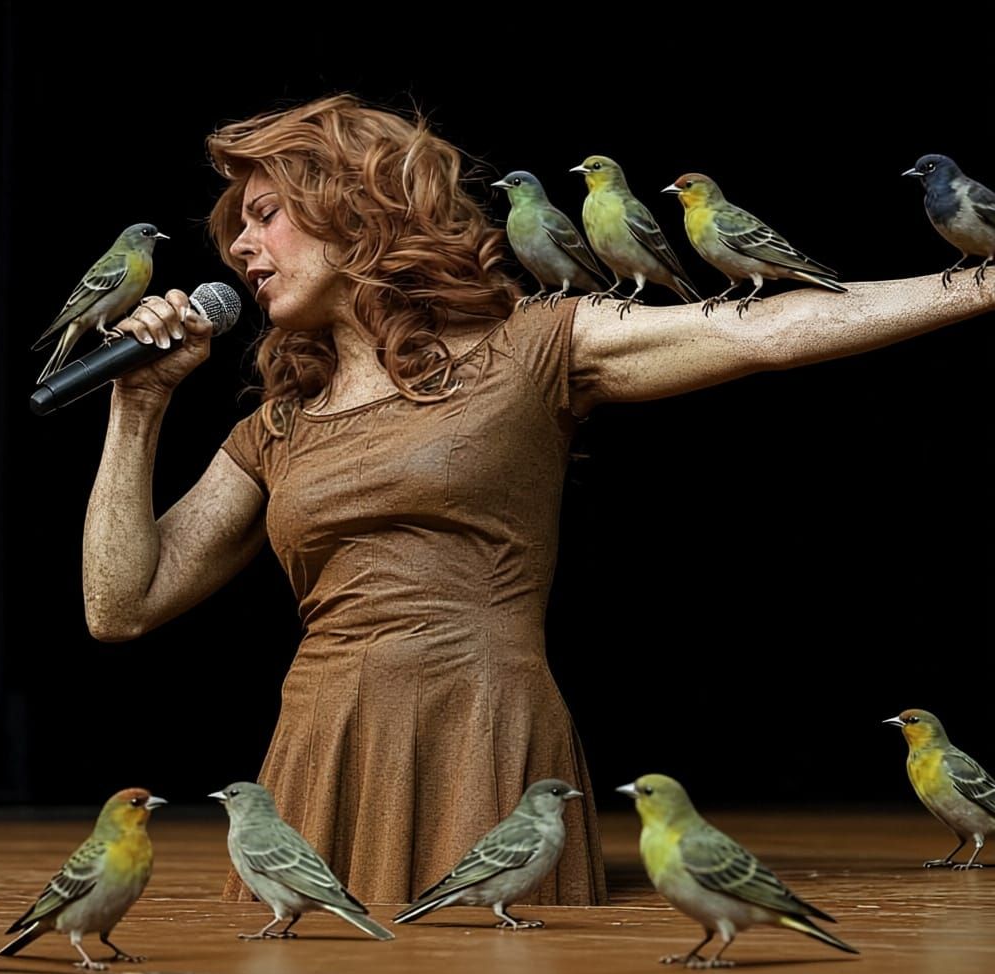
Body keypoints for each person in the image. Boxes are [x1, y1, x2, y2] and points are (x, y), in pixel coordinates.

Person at [82, 94, 994, 907]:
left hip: (483, 739)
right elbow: (120, 605)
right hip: (323, 757)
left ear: (355, 213)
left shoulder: (531, 348)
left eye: (266, 216)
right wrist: (140, 402)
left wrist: (987, 281)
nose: (239, 247)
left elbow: (773, 331)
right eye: (235, 229)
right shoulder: (279, 425)